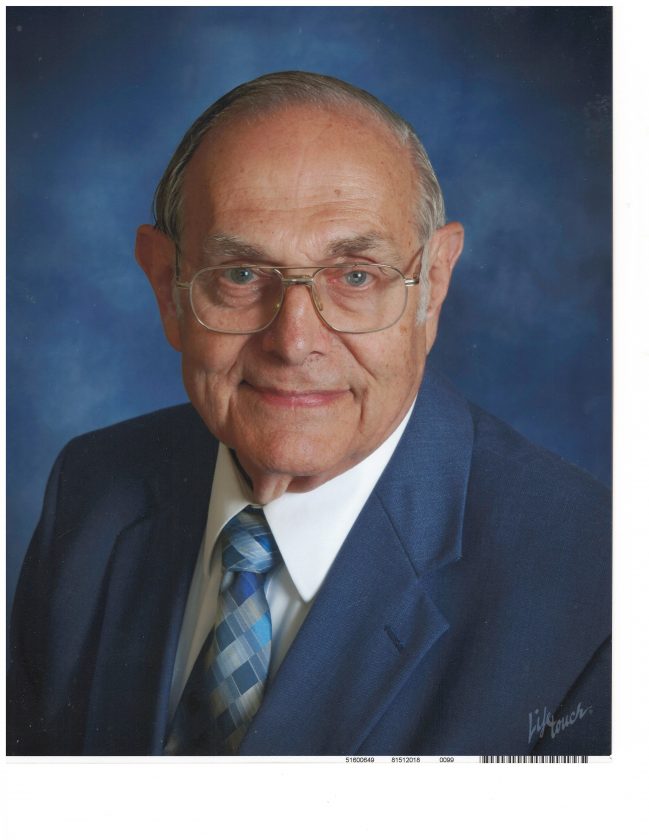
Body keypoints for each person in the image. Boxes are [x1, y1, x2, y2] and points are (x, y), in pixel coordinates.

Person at [7, 71, 611, 757]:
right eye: (240, 274)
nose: (294, 342)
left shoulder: (599, 590)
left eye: (355, 276)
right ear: (167, 287)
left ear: (433, 286)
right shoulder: (91, 489)